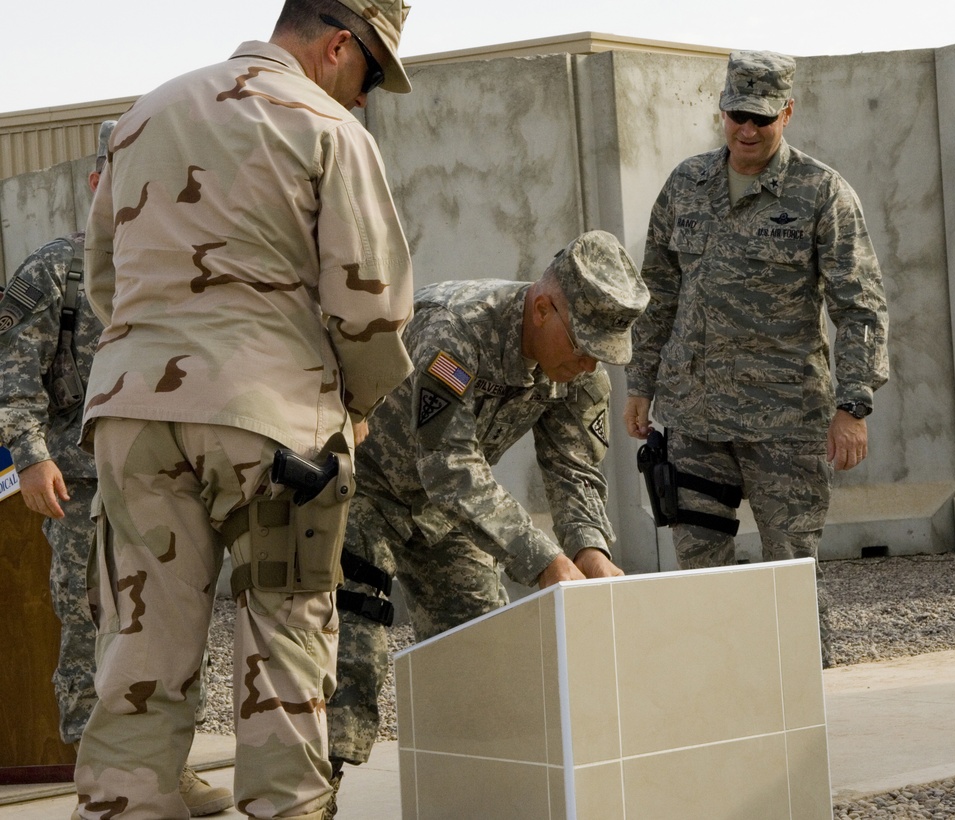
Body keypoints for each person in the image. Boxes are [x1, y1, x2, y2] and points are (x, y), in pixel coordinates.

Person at [73, 1, 415, 817]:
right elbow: (371, 309)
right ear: (340, 46)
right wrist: (354, 403)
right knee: (284, 648)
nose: (363, 98)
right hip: (273, 424)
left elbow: (103, 280)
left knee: (140, 653)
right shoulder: (327, 128)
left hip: (133, 420)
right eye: (368, 76)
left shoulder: (144, 113)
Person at [324, 229, 650, 809]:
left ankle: (475, 802)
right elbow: (448, 464)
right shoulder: (454, 333)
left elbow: (575, 470)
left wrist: (589, 550)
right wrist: (543, 559)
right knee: (351, 665)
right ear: (543, 308)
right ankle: (310, 799)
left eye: (601, 351)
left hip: (445, 514)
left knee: (484, 663)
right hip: (359, 495)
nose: (589, 361)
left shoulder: (578, 370)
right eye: (583, 344)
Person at [0, 121, 233, 816]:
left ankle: (168, 767)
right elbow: (12, 378)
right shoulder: (52, 270)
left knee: (176, 626)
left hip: (171, 484)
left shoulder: (181, 270)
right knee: (89, 628)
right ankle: (92, 778)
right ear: (96, 182)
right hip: (81, 486)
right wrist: (31, 459)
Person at [623, 51, 889, 658]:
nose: (747, 129)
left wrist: (853, 407)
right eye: (737, 114)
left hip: (785, 422)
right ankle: (716, 697)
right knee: (700, 571)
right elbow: (657, 291)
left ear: (787, 113)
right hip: (694, 419)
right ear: (721, 110)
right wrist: (641, 385)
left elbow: (861, 306)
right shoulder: (685, 185)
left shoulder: (822, 193)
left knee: (789, 571)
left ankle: (804, 703)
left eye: (762, 119)